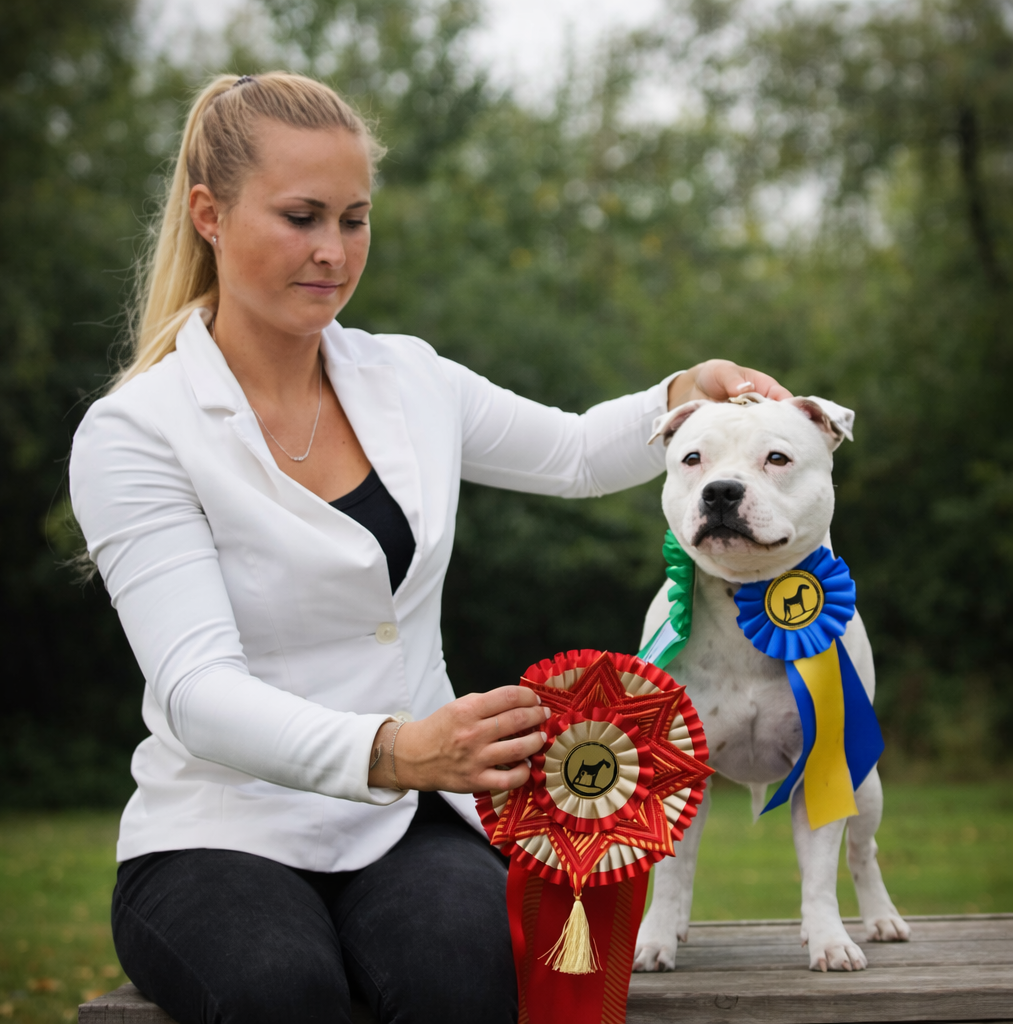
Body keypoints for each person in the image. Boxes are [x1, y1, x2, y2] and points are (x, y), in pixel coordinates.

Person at [70, 71, 790, 1024]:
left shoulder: (409, 376)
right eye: (301, 216)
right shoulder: (135, 432)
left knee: (468, 976)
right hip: (217, 832)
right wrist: (401, 748)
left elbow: (574, 454)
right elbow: (198, 692)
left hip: (409, 826)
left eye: (354, 219)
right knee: (281, 991)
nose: (333, 251)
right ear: (208, 213)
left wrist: (680, 394)